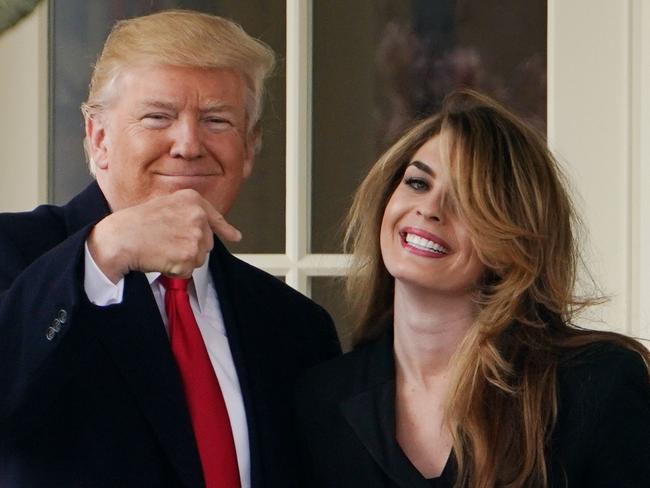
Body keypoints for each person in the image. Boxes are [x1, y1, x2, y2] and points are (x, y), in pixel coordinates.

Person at [0, 10, 340, 488]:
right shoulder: (16, 256)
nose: (188, 144)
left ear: (250, 147)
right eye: (157, 117)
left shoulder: (296, 327)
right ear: (98, 139)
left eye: (217, 120)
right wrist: (105, 251)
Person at [295, 89, 650, 487]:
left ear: (511, 240)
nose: (429, 209)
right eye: (417, 183)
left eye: (466, 199)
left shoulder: (596, 384)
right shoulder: (322, 398)